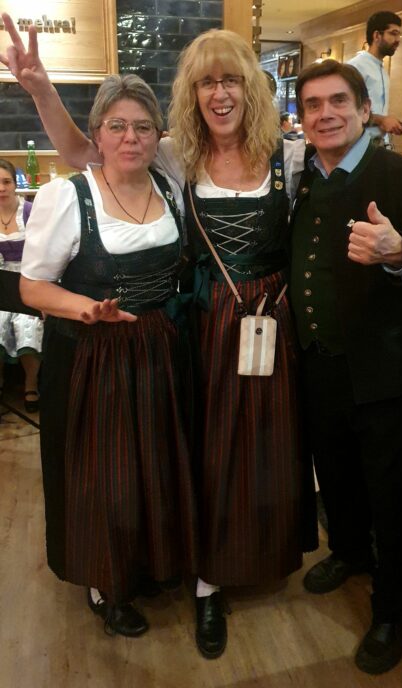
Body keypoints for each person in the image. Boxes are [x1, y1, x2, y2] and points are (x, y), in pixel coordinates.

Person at [1, 17, 318, 659]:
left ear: (252, 87)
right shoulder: (179, 158)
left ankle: (237, 558)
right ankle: (175, 580)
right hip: (192, 330)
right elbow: (82, 155)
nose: (220, 93)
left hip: (239, 330)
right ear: (192, 95)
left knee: (234, 453)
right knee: (167, 458)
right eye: (206, 82)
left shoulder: (279, 158)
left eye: (232, 80)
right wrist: (40, 90)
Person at [18, 73, 198, 638]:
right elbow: (31, 287)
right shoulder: (67, 196)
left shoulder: (169, 185)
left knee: (153, 465)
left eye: (143, 127)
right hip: (92, 358)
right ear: (96, 134)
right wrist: (86, 309)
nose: (130, 137)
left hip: (158, 350)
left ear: (158, 136)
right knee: (104, 476)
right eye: (117, 126)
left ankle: (147, 563)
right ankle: (105, 582)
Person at [290, 58, 402, 674]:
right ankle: (351, 552)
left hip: (387, 372)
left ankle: (395, 609)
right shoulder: (303, 177)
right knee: (337, 475)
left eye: (338, 101)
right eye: (312, 105)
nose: (325, 114)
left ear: (364, 110)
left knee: (395, 496)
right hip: (320, 364)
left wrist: (401, 249)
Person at [0, 158, 42, 411]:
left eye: (6, 182)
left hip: (29, 282)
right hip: (0, 285)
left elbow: (45, 252)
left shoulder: (31, 211)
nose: (1, 188)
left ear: (15, 184)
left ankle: (31, 384)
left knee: (28, 324)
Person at [348, 11, 402, 145]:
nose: (398, 40)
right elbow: (348, 110)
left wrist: (388, 123)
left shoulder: (382, 70)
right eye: (393, 34)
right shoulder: (356, 67)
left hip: (379, 144)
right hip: (358, 145)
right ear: (376, 35)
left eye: (399, 35)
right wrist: (382, 120)